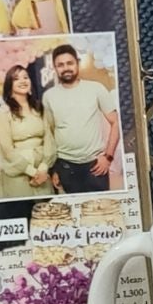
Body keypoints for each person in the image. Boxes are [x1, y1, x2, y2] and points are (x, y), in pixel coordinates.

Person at [43, 43, 122, 194]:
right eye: (60, 65)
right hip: (65, 166)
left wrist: (108, 157)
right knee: (73, 207)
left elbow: (115, 122)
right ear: (55, 68)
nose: (66, 68)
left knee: (100, 207)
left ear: (77, 63)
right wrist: (54, 168)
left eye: (69, 63)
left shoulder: (96, 88)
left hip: (95, 165)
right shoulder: (49, 96)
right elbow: (50, 133)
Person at [0, 64, 55, 200]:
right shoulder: (2, 112)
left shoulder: (39, 108)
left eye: (26, 77)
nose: (23, 81)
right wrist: (32, 172)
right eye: (16, 79)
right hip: (17, 173)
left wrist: (43, 168)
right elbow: (7, 149)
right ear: (9, 85)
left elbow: (49, 138)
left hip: (42, 171)